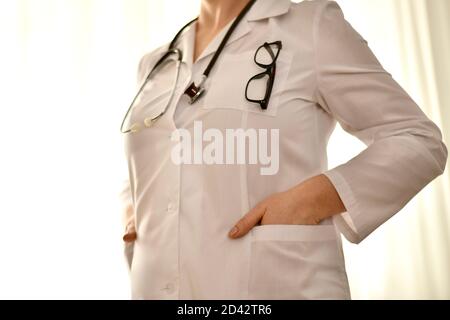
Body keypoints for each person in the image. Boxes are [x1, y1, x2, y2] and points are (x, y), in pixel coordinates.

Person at [120, 0, 448, 299]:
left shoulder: (308, 27)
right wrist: (133, 205)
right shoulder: (156, 62)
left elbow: (416, 139)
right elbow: (158, 154)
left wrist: (314, 197)